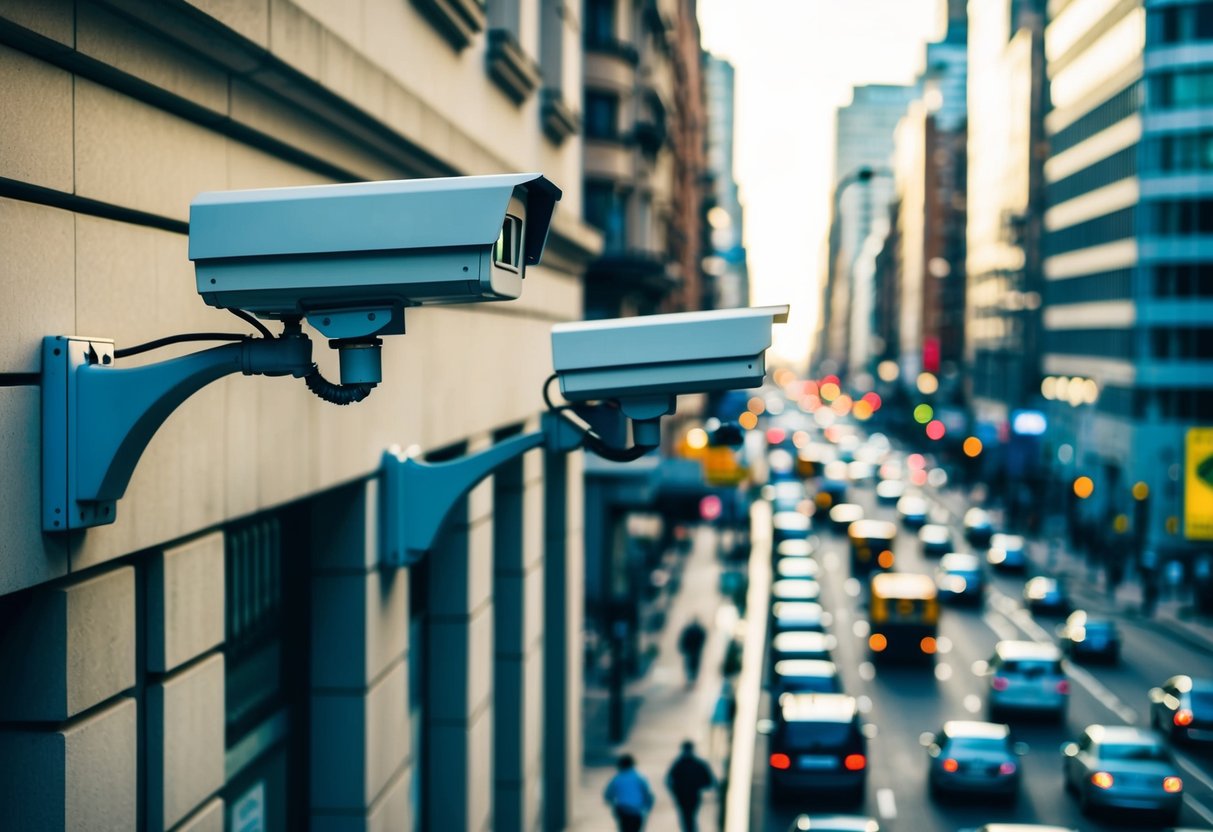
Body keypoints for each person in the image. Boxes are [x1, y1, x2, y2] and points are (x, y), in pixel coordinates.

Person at [665, 740, 716, 832]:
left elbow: (669, 780)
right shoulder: (697, 764)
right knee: (689, 816)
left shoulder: (679, 764)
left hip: (684, 795)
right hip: (691, 795)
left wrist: (675, 791)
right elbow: (709, 781)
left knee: (687, 816)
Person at [603, 753, 654, 832]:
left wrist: (612, 803)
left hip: (622, 810)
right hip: (637, 811)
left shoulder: (617, 778)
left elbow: (608, 795)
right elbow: (647, 793)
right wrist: (648, 806)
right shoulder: (639, 778)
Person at [677, 617, 708, 687]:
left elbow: (684, 638)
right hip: (694, 650)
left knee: (690, 665)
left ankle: (690, 679)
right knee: (693, 665)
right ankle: (691, 679)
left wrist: (683, 647)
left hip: (692, 650)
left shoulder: (690, 629)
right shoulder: (699, 630)